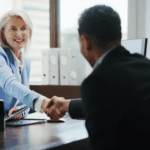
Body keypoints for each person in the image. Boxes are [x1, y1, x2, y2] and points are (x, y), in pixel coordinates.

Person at [45, 5, 150, 150]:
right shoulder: (145, 65)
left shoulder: (97, 81)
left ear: (85, 42)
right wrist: (66, 105)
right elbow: (120, 99)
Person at [0, 10, 51, 119]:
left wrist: (21, 111)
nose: (19, 34)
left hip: (9, 126)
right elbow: (10, 84)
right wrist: (42, 102)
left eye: (23, 28)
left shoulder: (26, 61)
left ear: (29, 32)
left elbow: (25, 100)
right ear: (3, 34)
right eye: (13, 29)